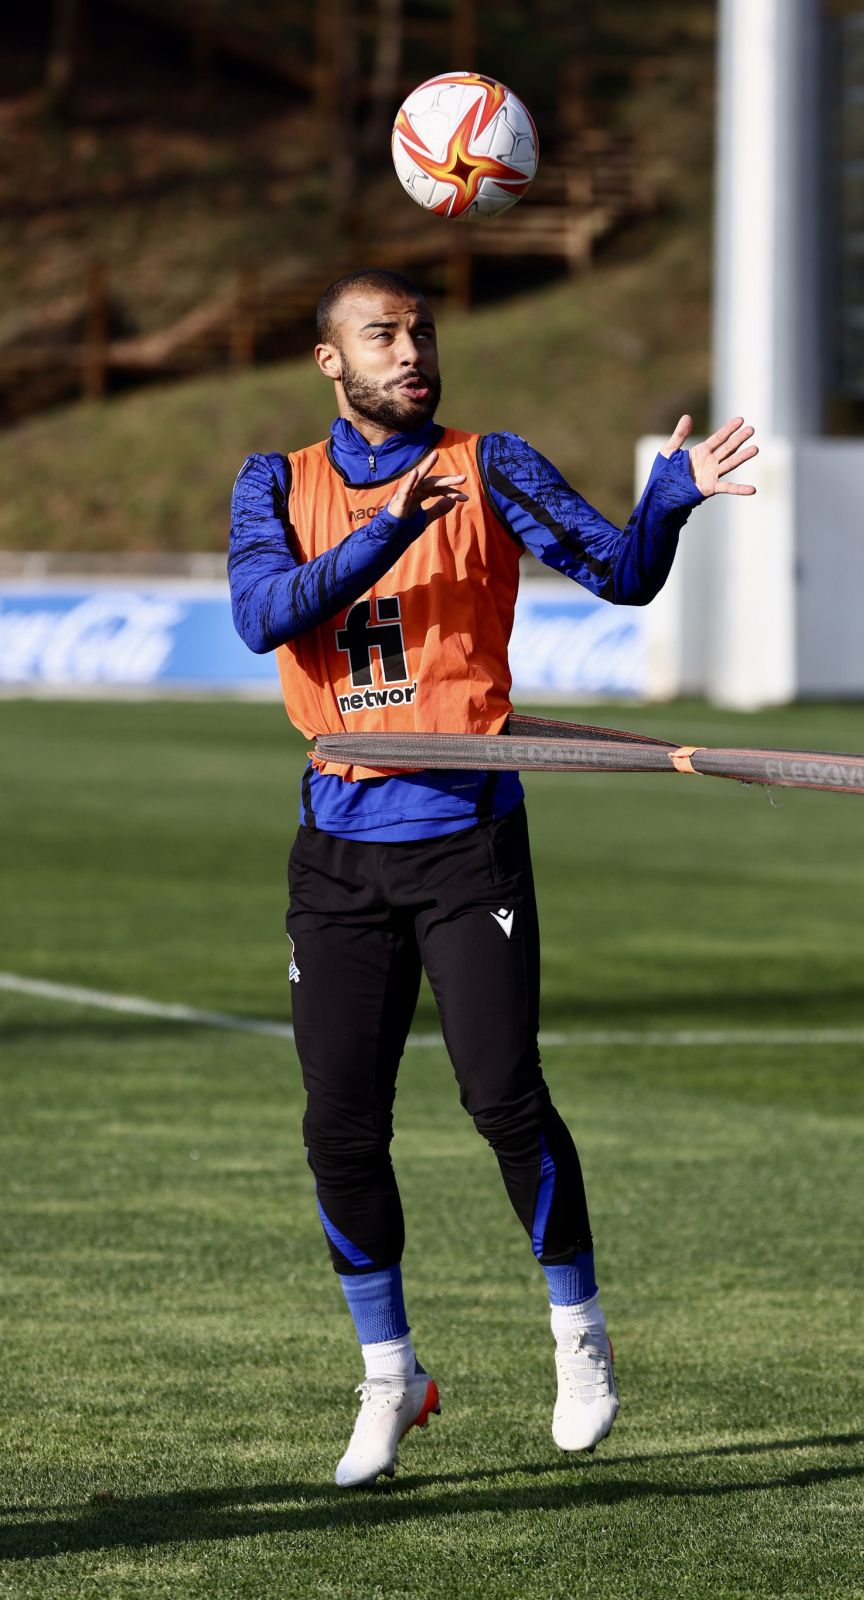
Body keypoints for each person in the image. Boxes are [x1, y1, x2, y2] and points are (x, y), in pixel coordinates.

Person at [228, 268, 757, 1489]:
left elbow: (621, 574)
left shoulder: (491, 461)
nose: (410, 351)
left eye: (420, 331)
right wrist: (388, 529)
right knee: (339, 1124)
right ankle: (389, 1374)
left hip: (467, 833)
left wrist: (669, 502)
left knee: (503, 1094)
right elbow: (265, 615)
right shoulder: (274, 481)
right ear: (331, 363)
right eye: (382, 335)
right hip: (340, 846)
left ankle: (579, 1337)